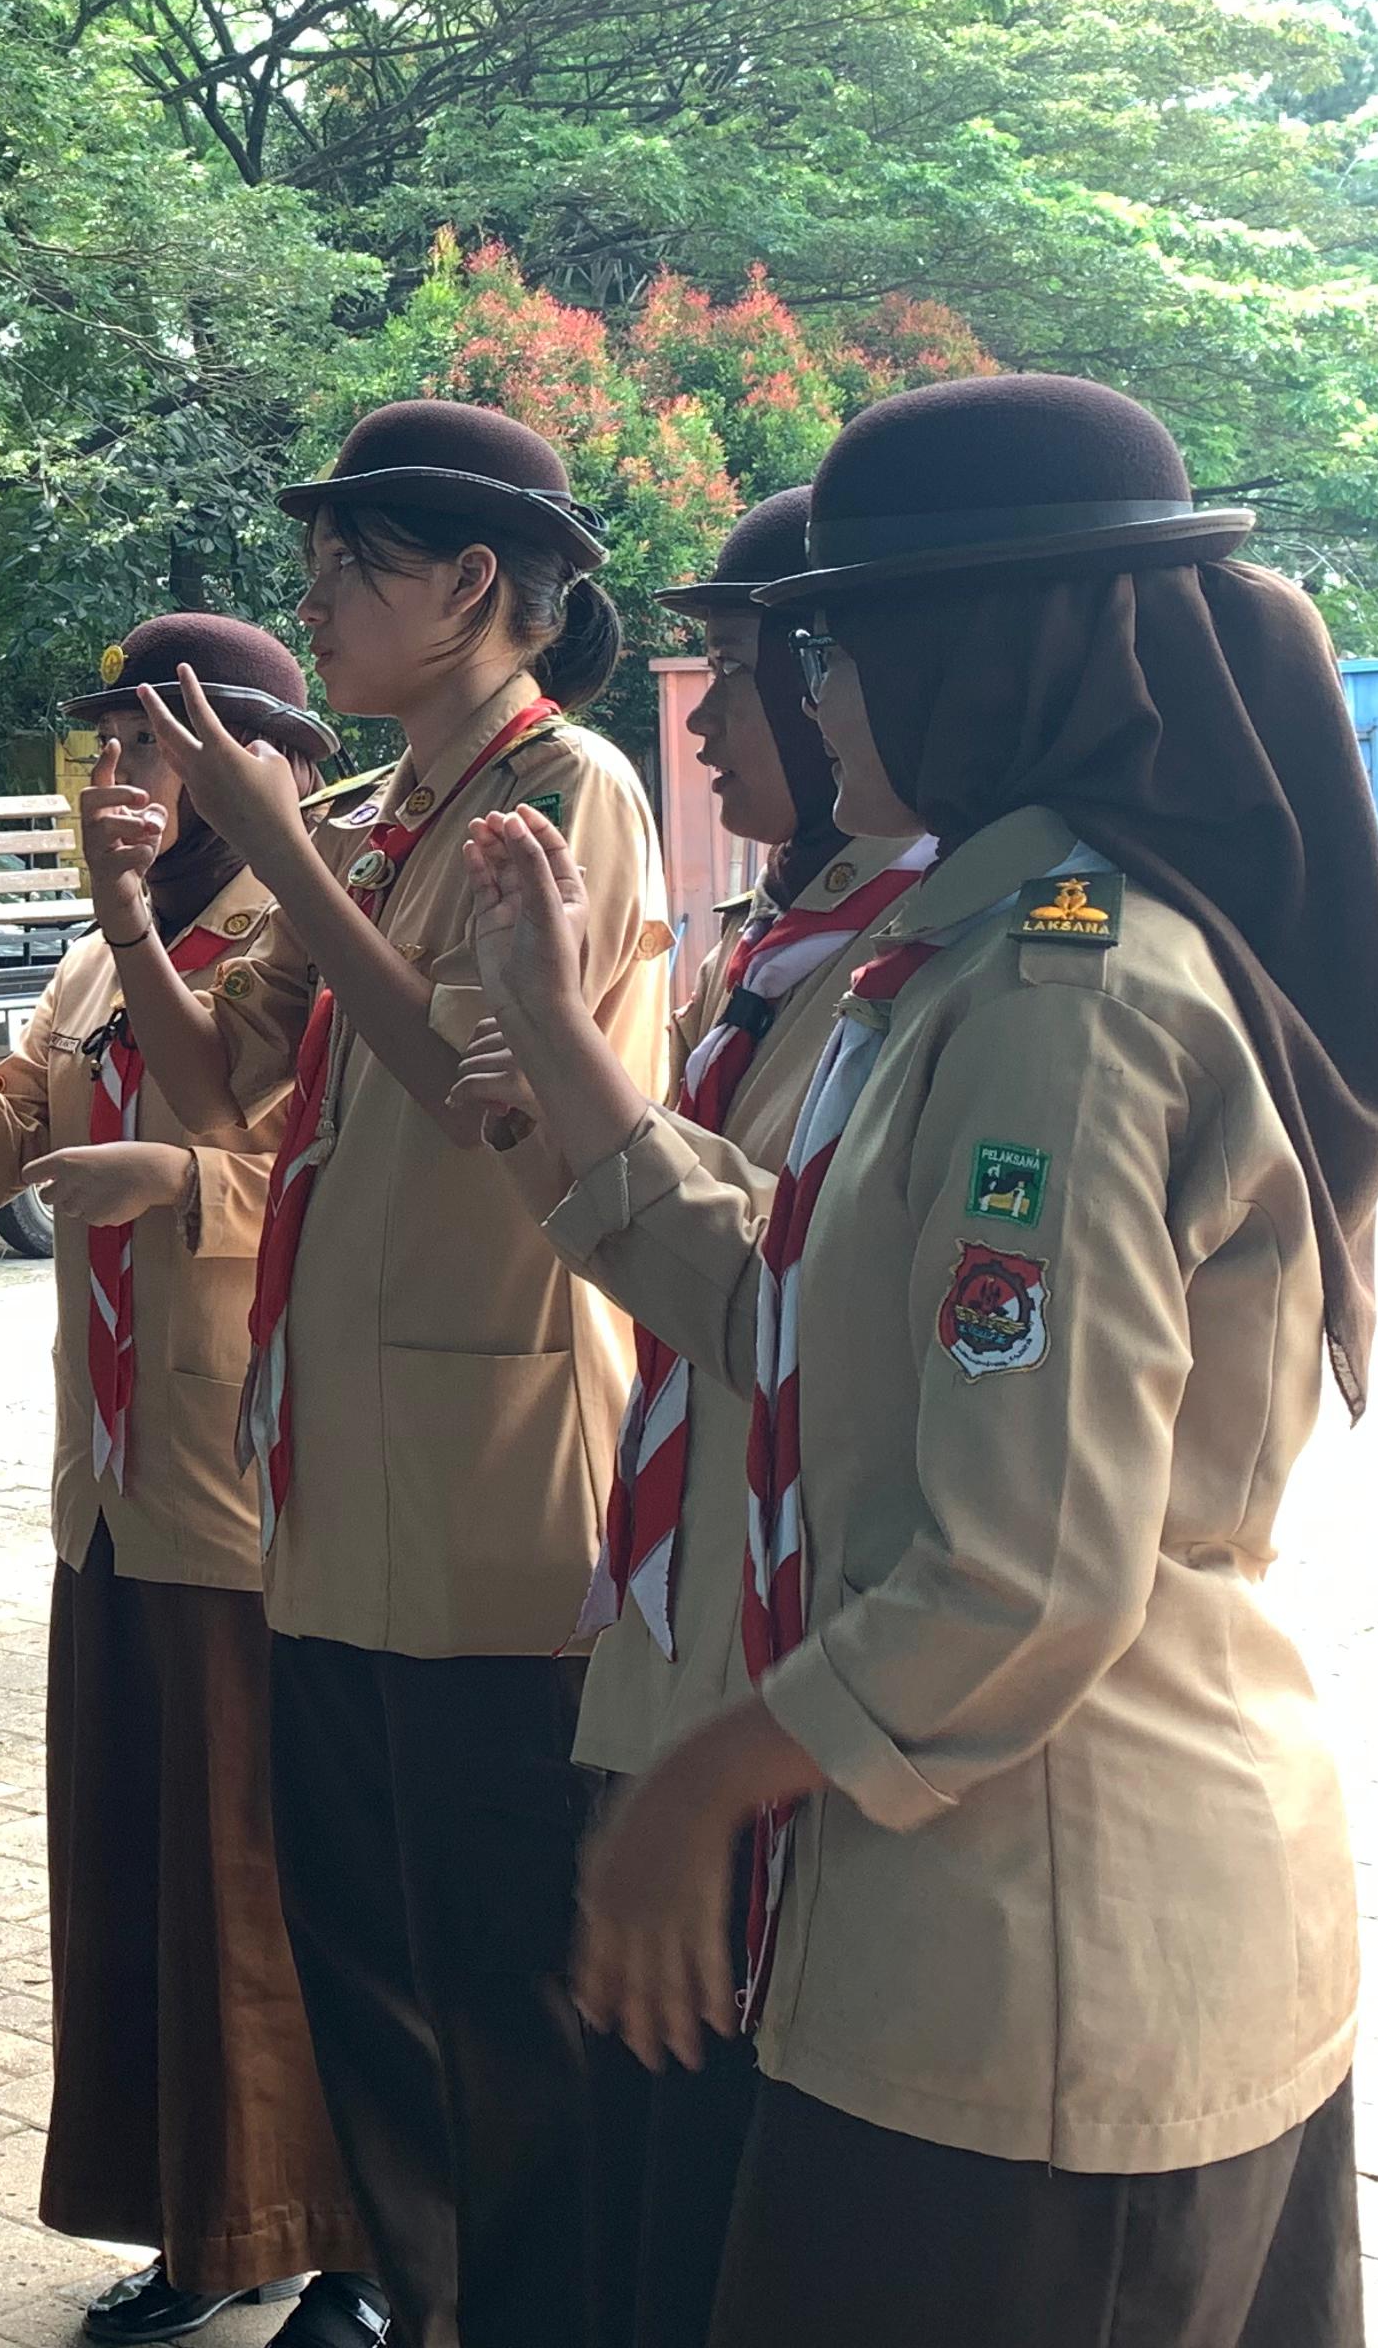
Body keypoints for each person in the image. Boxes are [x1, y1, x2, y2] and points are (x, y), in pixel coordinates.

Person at [460, 373, 1378, 2348]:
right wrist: (556, 1034)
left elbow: (1022, 1569)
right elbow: (793, 1315)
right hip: (974, 1905)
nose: (808, 695)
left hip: (1053, 1944)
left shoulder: (1066, 989)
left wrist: (693, 1789)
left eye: (840, 645)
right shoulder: (975, 948)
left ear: (983, 657)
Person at [115, 399, 668, 2348]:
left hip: (502, 1490)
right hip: (336, 1484)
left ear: (474, 591)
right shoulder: (362, 819)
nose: (315, 597)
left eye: (354, 564)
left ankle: (518, 2318)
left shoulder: (570, 790)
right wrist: (139, 890)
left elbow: (469, 1097)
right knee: (360, 1958)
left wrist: (273, 843)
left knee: (501, 1992)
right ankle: (422, 2307)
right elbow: (224, 1087)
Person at [0, 614, 385, 2348]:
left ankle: (355, 2250)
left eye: (154, 746)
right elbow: (7, 1153)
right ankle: (208, 2226)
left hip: (246, 1478)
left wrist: (182, 1180)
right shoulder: (110, 952)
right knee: (148, 1882)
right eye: (108, 746)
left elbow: (346, 1187)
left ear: (270, 770)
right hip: (113, 1483)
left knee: (271, 1878)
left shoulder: (311, 935)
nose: (120, 780)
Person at [525, 487, 935, 2348]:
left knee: (722, 2180)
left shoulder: (933, 963)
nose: (704, 720)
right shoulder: (788, 941)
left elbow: (782, 1304)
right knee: (645, 2158)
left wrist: (558, 1056)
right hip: (681, 1622)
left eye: (754, 676)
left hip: (776, 1666)